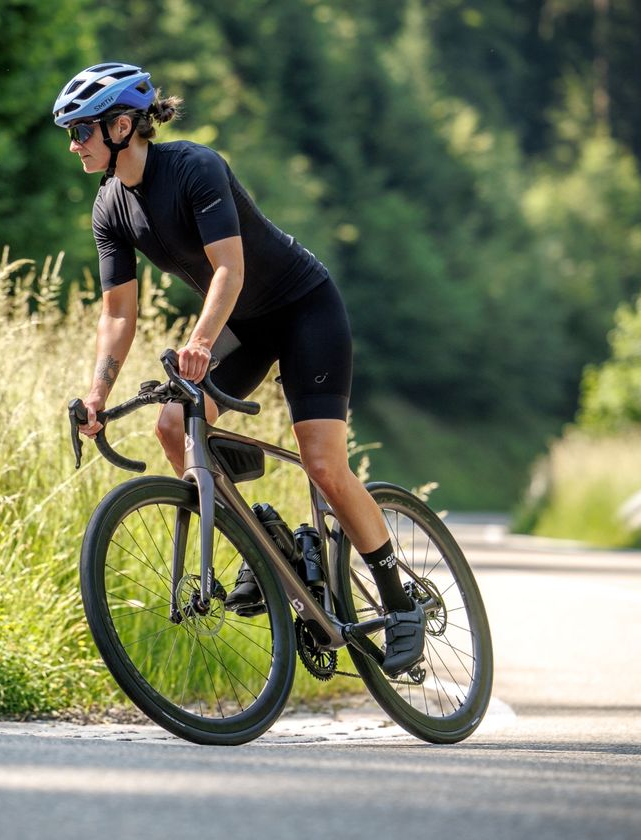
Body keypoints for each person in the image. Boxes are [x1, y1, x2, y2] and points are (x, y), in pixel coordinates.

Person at [54, 62, 424, 676]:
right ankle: (268, 544)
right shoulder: (110, 208)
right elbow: (119, 312)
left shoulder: (195, 167)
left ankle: (399, 602)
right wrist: (96, 393)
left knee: (325, 464)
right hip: (246, 329)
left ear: (122, 125)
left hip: (305, 309)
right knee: (173, 428)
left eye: (82, 131)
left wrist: (199, 342)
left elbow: (230, 268)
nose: (74, 144)